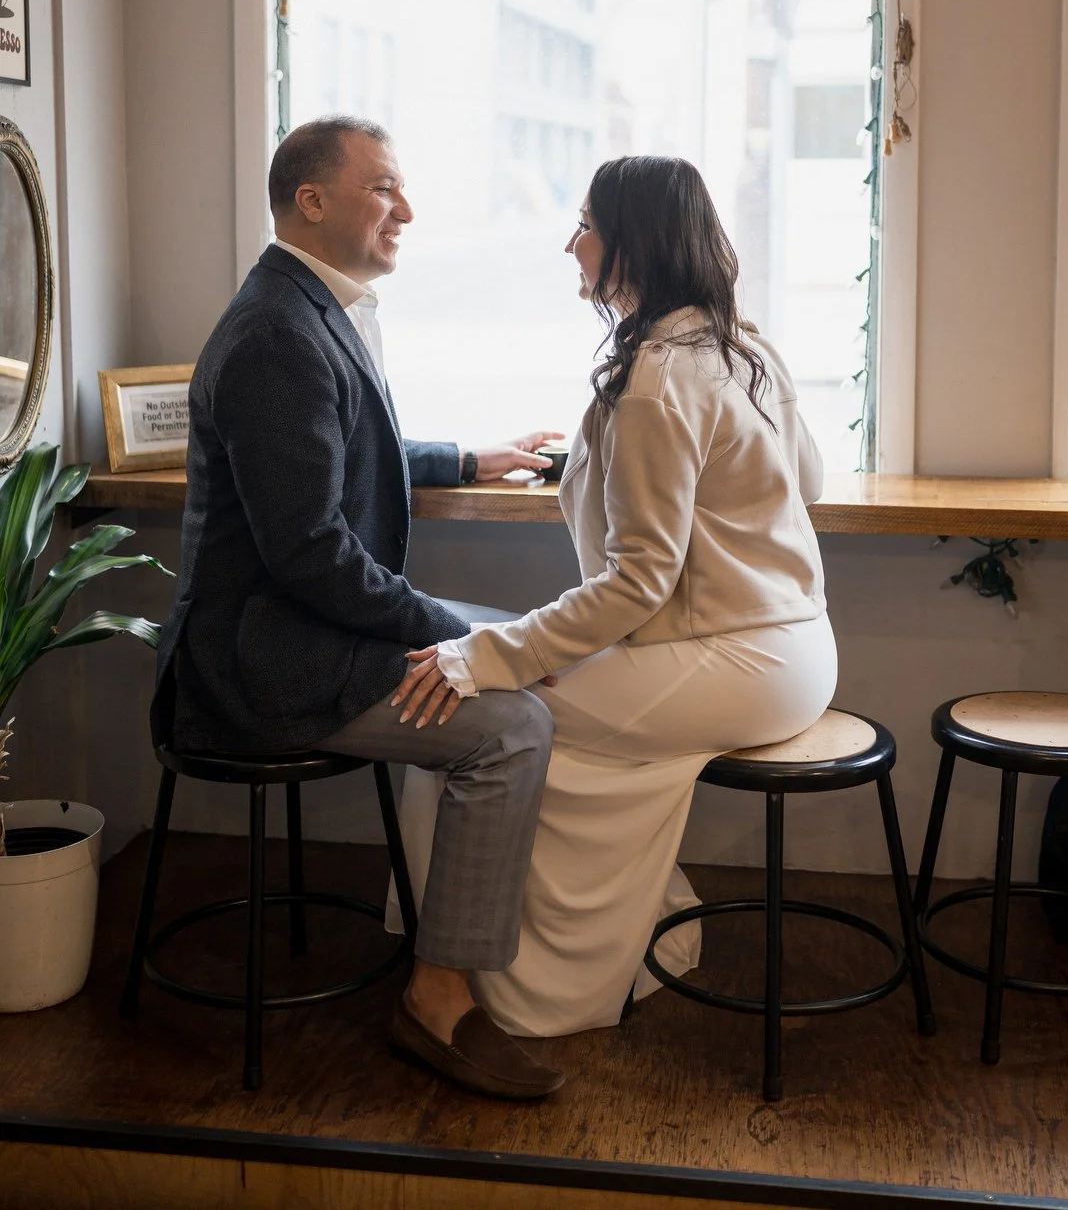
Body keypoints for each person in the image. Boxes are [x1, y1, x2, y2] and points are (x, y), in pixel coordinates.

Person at [154, 114, 567, 1098]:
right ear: (312, 200)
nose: (407, 211)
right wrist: (463, 639)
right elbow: (311, 553)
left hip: (305, 626)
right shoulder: (275, 335)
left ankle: (466, 954)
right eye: (384, 188)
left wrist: (471, 458)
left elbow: (338, 450)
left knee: (516, 646)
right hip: (262, 661)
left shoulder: (307, 310)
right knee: (512, 723)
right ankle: (437, 998)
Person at [395, 154, 837, 1037]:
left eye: (587, 223)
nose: (571, 243)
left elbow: (638, 581)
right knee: (535, 735)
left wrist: (486, 654)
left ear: (633, 242)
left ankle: (501, 994)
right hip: (800, 651)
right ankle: (646, 938)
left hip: (727, 659)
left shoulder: (657, 380)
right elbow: (808, 482)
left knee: (447, 721)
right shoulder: (741, 346)